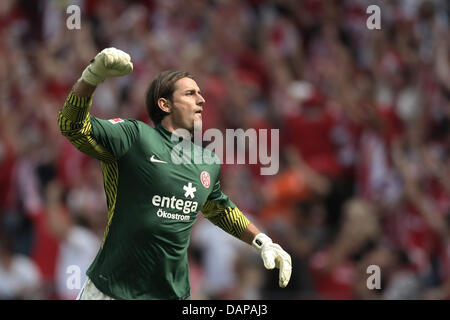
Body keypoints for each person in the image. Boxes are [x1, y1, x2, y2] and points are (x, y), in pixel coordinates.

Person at [57, 47, 291, 300]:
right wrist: (91, 77)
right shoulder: (134, 136)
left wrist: (261, 241)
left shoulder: (206, 161)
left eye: (201, 94)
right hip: (112, 291)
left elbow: (220, 209)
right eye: (190, 94)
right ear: (164, 104)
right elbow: (72, 126)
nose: (201, 100)